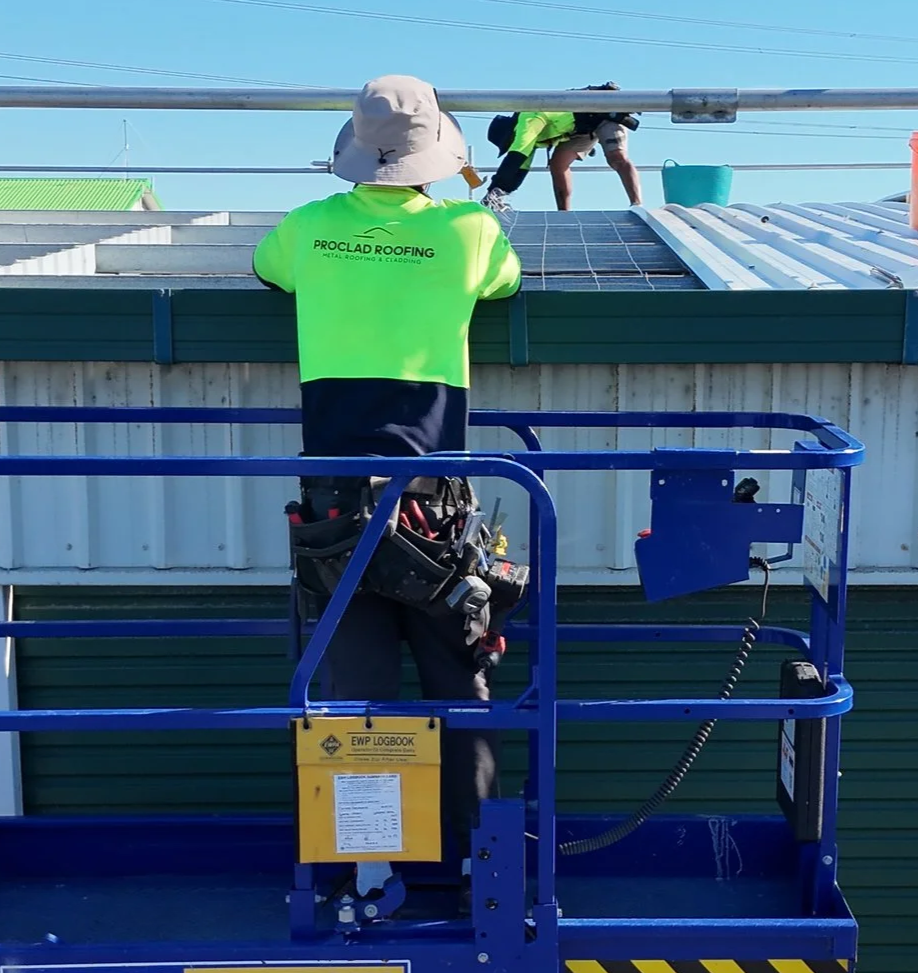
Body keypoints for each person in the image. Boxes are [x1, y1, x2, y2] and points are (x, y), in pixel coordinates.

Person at [253, 74, 522, 861]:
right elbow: (505, 283)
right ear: (434, 152)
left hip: (335, 512)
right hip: (434, 512)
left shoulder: (304, 229)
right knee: (461, 692)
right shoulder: (472, 232)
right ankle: (483, 869)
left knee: (359, 704)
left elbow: (270, 271)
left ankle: (365, 876)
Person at [483, 83, 643, 211]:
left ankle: (636, 204)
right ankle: (564, 214)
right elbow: (520, 170)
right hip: (580, 129)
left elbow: (515, 157)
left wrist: (491, 191)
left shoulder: (528, 119)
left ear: (510, 134)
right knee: (557, 165)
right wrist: (501, 193)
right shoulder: (528, 141)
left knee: (616, 158)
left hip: (603, 113)